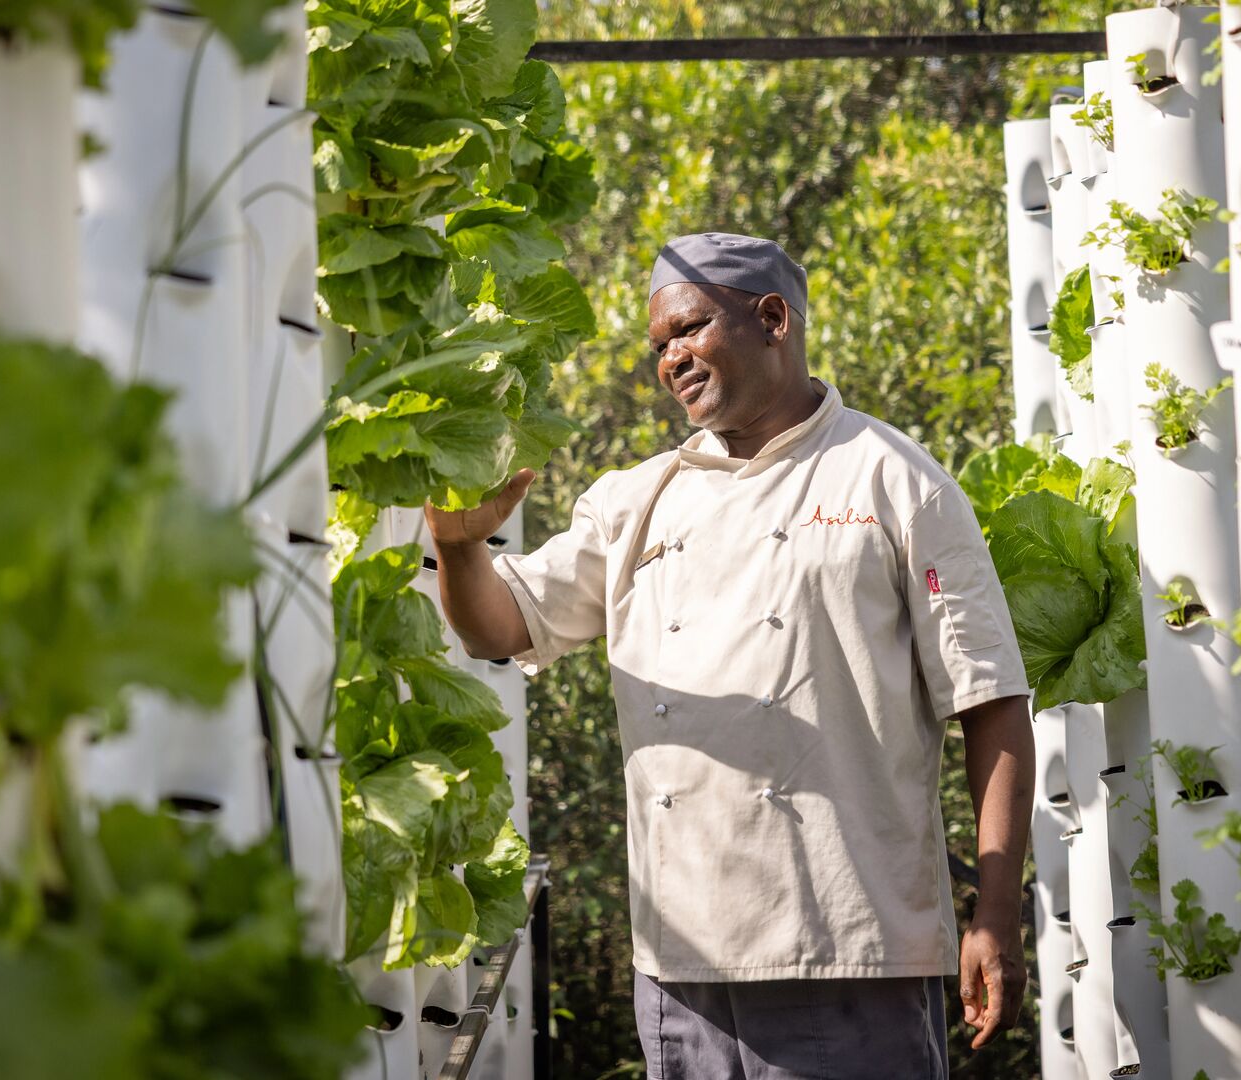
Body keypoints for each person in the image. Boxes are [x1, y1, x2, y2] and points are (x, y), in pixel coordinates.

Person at [425, 231, 1034, 1079]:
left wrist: (995, 916)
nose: (670, 358)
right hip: (681, 964)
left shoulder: (895, 480)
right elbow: (500, 627)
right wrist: (458, 548)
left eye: (689, 328)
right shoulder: (637, 499)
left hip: (850, 948)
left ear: (773, 318)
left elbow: (992, 702)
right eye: (659, 345)